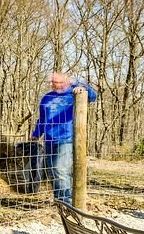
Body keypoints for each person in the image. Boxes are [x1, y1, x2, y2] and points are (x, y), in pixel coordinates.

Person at [31, 71, 97, 205]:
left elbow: (93, 96)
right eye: (53, 82)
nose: (54, 85)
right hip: (49, 139)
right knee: (52, 171)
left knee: (60, 169)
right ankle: (58, 201)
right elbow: (42, 119)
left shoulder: (74, 93)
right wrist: (37, 134)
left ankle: (66, 202)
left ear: (66, 82)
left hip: (66, 139)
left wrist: (82, 87)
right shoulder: (47, 98)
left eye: (57, 82)